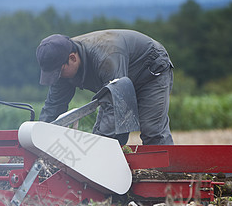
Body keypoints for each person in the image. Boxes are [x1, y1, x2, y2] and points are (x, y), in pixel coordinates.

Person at [36, 29, 174, 145]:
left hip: (149, 72)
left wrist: (98, 149)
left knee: (152, 130)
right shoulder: (60, 63)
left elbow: (118, 104)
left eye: (58, 72)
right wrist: (39, 140)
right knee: (101, 134)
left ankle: (167, 173)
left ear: (73, 58)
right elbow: (53, 107)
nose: (57, 78)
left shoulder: (106, 57)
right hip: (117, 81)